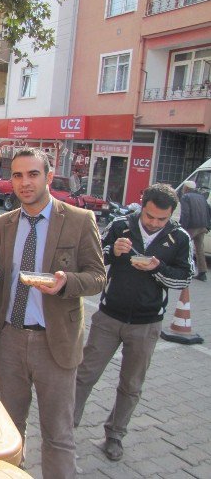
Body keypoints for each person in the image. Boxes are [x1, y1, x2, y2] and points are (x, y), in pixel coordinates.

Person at [0, 147, 105, 478]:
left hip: (55, 343)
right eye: (17, 175)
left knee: (58, 435)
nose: (24, 182)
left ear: (48, 177)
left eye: (33, 174)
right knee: (10, 428)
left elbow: (98, 277)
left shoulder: (78, 220)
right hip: (10, 339)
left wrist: (65, 283)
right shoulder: (2, 225)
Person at [74, 183, 194, 463]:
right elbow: (92, 260)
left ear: (171, 215)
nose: (153, 223)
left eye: (161, 219)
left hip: (147, 323)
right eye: (149, 216)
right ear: (141, 206)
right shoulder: (120, 225)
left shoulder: (179, 238)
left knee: (131, 384)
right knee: (84, 374)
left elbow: (184, 278)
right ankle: (66, 428)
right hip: (108, 316)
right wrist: (112, 251)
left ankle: (115, 434)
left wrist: (158, 268)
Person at [179, 180, 210, 281]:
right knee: (199, 249)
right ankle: (202, 272)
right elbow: (208, 210)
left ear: (186, 188)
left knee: (181, 247)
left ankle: (182, 270)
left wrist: (182, 228)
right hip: (202, 226)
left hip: (191, 226)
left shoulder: (185, 197)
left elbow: (185, 214)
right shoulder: (201, 197)